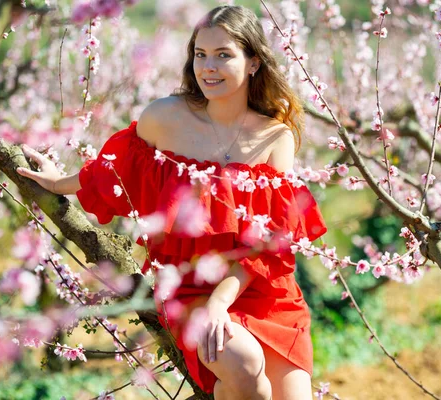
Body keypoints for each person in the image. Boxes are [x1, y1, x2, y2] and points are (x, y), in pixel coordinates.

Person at [17, 5, 327, 400]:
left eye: (223, 55)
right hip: (189, 289)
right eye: (200, 54)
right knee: (246, 368)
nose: (208, 67)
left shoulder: (274, 138)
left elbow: (267, 245)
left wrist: (222, 303)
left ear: (253, 63)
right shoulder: (165, 117)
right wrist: (57, 181)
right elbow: (114, 170)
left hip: (261, 291)